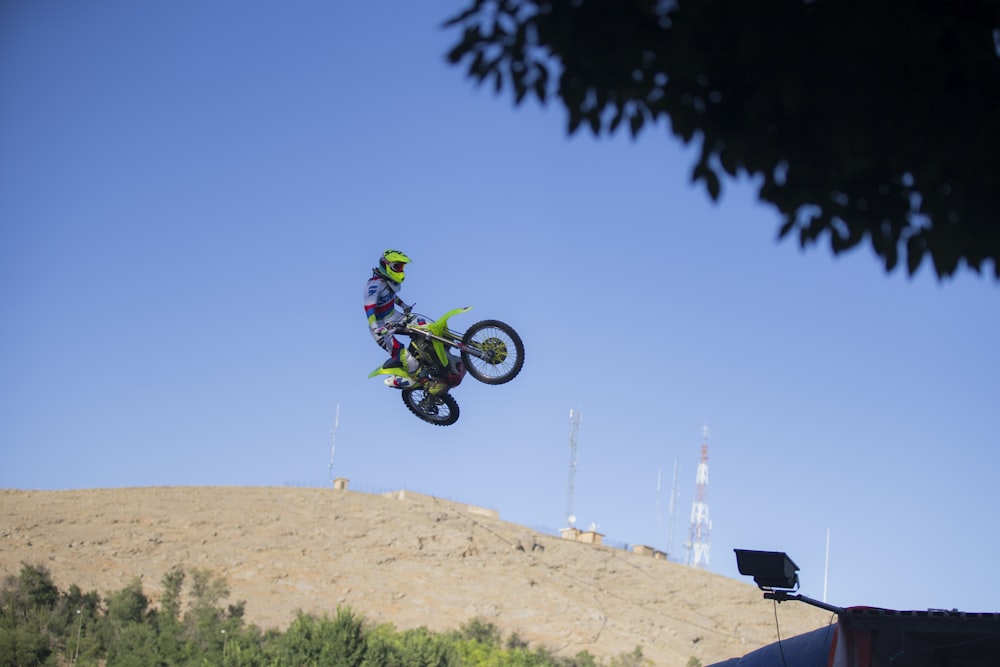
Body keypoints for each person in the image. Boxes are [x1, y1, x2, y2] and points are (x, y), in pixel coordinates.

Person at [364, 249, 422, 388]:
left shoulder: (388, 282)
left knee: (421, 323)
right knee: (405, 356)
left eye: (402, 267)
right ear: (386, 265)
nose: (400, 270)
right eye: (397, 267)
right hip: (380, 326)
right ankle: (421, 380)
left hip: (394, 316)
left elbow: (391, 296)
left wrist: (404, 305)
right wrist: (374, 326)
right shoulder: (374, 284)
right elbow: (369, 306)